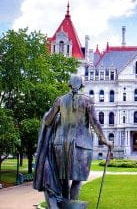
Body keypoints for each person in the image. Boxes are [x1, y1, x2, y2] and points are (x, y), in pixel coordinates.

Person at [33, 75, 112, 208]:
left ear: (69, 84)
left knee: (62, 179)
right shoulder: (87, 100)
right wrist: (105, 140)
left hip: (59, 144)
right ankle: (72, 205)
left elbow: (47, 120)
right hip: (81, 144)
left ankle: (63, 204)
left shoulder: (60, 100)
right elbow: (94, 122)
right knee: (77, 179)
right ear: (82, 85)